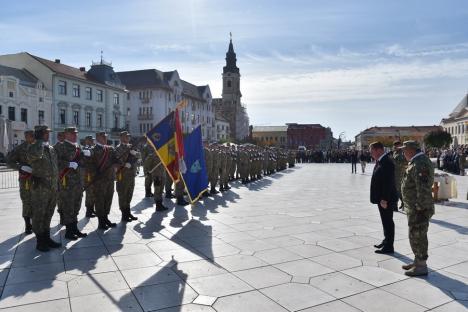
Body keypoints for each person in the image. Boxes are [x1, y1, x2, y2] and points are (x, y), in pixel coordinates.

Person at [400, 140, 434, 276]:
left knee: (418, 235)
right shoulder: (416, 161)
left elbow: (424, 188)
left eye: (404, 150)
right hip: (414, 208)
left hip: (419, 209)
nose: (403, 152)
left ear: (412, 150)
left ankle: (421, 266)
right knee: (415, 235)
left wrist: (420, 207)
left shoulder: (420, 163)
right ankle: (417, 261)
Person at [27, 125, 61, 252]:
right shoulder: (34, 147)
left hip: (52, 187)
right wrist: (39, 142)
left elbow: (55, 167)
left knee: (49, 213)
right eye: (46, 133)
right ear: (40, 134)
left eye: (48, 133)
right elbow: (34, 156)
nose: (48, 135)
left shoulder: (50, 148)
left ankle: (47, 237)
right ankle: (40, 241)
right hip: (40, 188)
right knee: (39, 214)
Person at [55, 127, 89, 240]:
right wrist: (67, 164)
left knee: (76, 206)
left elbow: (82, 162)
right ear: (66, 135)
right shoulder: (60, 146)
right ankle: (68, 232)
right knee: (68, 206)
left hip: (78, 182)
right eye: (72, 134)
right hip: (67, 183)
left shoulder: (78, 147)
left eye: (76, 134)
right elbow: (54, 162)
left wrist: (85, 156)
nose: (75, 136)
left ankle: (75, 228)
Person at [370, 141, 398, 254]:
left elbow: (388, 183)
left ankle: (389, 246)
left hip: (385, 199)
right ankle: (386, 240)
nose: (371, 153)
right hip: (382, 198)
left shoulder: (387, 162)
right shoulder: (382, 160)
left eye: (372, 151)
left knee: (388, 221)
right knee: (385, 221)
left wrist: (384, 199)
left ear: (379, 150)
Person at [89, 131, 120, 230]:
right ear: (97, 137)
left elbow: (117, 159)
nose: (105, 138)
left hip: (110, 178)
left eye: (105, 137)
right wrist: (96, 174)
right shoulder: (93, 150)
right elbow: (89, 165)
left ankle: (106, 218)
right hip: (99, 180)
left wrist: (117, 162)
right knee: (100, 200)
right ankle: (101, 221)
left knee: (108, 199)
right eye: (103, 137)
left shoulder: (110, 149)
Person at [6, 130, 35, 234]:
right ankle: (28, 225)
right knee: (27, 202)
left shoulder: (40, 147)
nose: (31, 138)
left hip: (39, 179)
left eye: (32, 136)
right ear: (26, 137)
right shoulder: (20, 148)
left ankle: (37, 224)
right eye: (29, 136)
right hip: (26, 179)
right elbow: (9, 161)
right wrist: (20, 167)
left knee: (39, 202)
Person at [115, 131, 139, 222]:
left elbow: (139, 156)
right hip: (123, 175)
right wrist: (125, 164)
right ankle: (124, 214)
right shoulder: (118, 148)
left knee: (129, 194)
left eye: (128, 136)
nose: (127, 138)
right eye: (125, 136)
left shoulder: (132, 147)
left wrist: (135, 154)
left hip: (131, 175)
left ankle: (128, 212)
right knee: (123, 195)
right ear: (121, 138)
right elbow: (117, 159)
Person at [392, 141, 407, 210]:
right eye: (394, 146)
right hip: (394, 173)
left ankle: (395, 206)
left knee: (397, 190)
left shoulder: (402, 153)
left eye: (396, 146)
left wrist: (393, 161)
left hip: (400, 174)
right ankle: (404, 203)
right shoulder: (395, 153)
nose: (395, 147)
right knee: (398, 190)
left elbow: (404, 163)